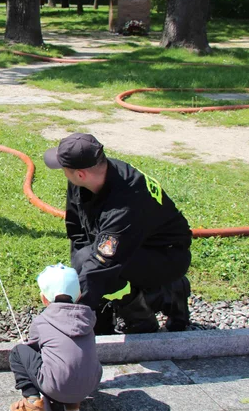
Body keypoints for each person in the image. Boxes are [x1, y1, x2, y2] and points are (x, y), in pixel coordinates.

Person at [44, 133, 192, 334]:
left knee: (101, 269)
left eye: (64, 169)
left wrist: (66, 316)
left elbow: (102, 265)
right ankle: (103, 317)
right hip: (132, 243)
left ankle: (152, 309)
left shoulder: (125, 203)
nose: (63, 172)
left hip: (166, 255)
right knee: (83, 259)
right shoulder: (90, 175)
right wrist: (80, 285)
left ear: (80, 174)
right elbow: (77, 230)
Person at [9, 264, 102, 411]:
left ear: (43, 298)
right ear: (79, 295)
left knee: (19, 352)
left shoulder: (42, 322)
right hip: (89, 387)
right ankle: (72, 403)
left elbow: (34, 351)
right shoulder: (88, 320)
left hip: (56, 387)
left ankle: (32, 402)